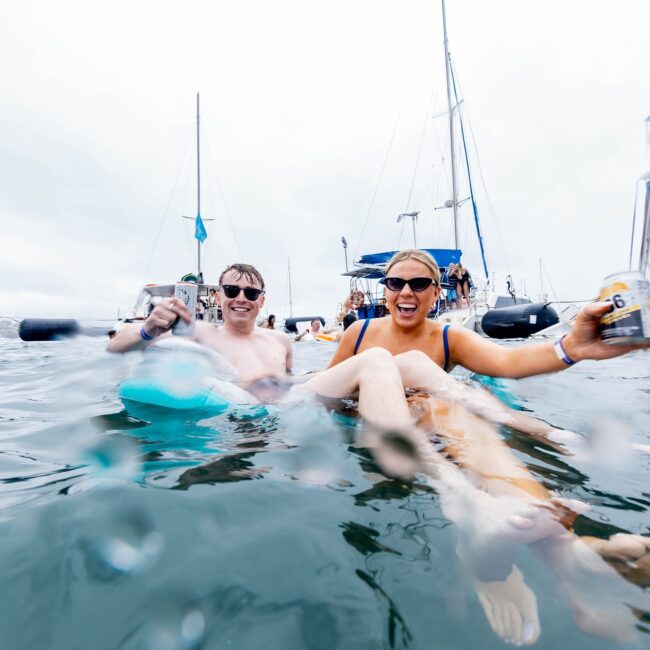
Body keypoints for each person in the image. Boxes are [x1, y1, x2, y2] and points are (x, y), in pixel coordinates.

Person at [330, 249, 649, 378]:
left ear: (436, 292)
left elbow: (507, 362)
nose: (407, 292)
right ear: (386, 289)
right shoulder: (359, 333)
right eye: (396, 282)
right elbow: (331, 380)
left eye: (419, 283)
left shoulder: (447, 338)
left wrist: (574, 348)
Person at [107, 263, 293, 383]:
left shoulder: (281, 341)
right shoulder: (194, 333)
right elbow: (114, 347)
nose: (241, 298)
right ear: (219, 297)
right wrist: (147, 330)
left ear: (261, 301)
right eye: (231, 291)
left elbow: (290, 382)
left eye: (251, 293)